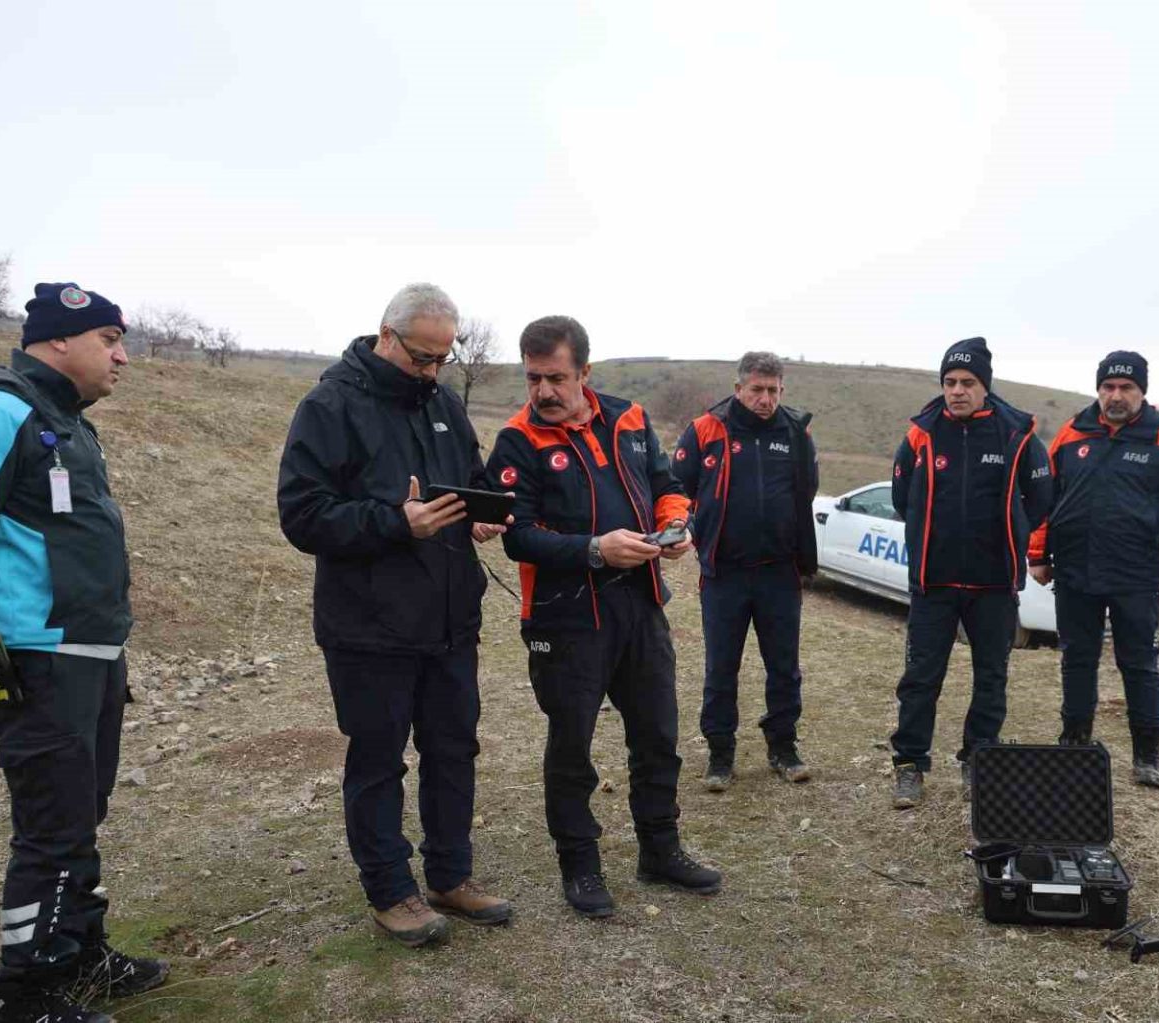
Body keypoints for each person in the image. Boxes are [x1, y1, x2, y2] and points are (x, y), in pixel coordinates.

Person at [0, 283, 166, 1023]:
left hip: (90, 652)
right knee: (51, 825)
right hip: (36, 656)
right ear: (57, 340)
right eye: (109, 339)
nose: (122, 356)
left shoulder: (67, 423)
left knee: (80, 812)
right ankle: (26, 991)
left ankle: (77, 951)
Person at [277, 283, 512, 948]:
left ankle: (450, 876)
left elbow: (469, 479)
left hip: (450, 617)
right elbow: (301, 514)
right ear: (386, 335)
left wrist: (482, 513)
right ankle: (390, 891)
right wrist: (394, 521)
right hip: (368, 626)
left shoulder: (444, 404)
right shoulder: (329, 406)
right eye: (421, 357)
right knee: (379, 761)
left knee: (453, 749)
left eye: (443, 358)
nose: (433, 371)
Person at [486, 315, 722, 918]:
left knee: (658, 735)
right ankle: (580, 863)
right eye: (533, 378)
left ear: (584, 372)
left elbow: (667, 484)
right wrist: (594, 549)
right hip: (566, 618)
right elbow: (518, 537)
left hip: (640, 605)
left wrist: (676, 525)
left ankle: (660, 849)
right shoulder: (517, 440)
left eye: (555, 378)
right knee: (572, 747)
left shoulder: (629, 418)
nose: (543, 391)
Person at [1027, 351, 1159, 788]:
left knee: (1140, 664)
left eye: (1126, 388)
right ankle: (1075, 743)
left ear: (1142, 392)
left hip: (1136, 576)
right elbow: (1046, 497)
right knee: (1077, 659)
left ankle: (1147, 757)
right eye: (1108, 387)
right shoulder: (1072, 433)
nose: (1116, 395)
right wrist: (1038, 554)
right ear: (1098, 390)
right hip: (1075, 570)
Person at [888, 337, 1054, 807]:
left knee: (991, 678)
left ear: (985, 386)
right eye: (949, 382)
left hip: (993, 584)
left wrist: (1012, 531)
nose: (957, 390)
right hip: (933, 581)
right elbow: (903, 498)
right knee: (920, 678)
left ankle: (978, 762)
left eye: (967, 382)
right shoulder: (921, 433)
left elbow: (1041, 500)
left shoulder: (1016, 434)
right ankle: (909, 765)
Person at [671, 351, 820, 792]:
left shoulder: (796, 432)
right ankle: (720, 754)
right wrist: (689, 527)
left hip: (779, 573)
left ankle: (783, 747)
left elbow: (806, 489)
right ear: (738, 389)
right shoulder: (706, 429)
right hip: (725, 573)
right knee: (721, 668)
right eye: (757, 389)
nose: (765, 399)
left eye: (773, 390)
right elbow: (678, 487)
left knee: (784, 667)